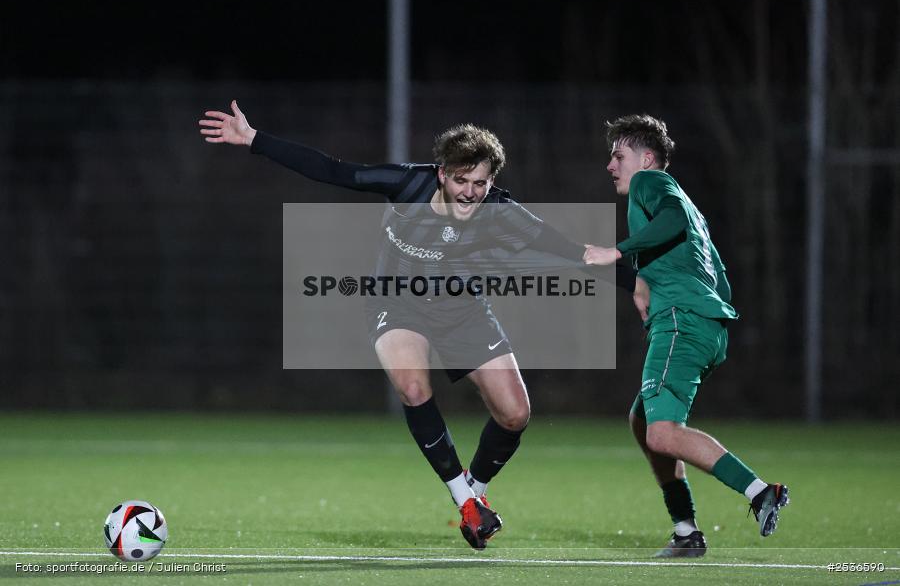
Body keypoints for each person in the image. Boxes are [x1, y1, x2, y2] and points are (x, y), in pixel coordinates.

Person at [200, 101, 642, 549]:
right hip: (396, 303)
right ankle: (465, 501)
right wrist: (255, 139)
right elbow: (333, 170)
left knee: (515, 414)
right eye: (461, 180)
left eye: (481, 183)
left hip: (462, 309)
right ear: (442, 174)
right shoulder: (407, 183)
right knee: (413, 387)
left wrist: (642, 286)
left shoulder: (501, 211)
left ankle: (475, 491)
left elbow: (575, 253)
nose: (470, 193)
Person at [584, 114, 789, 558]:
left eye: (618, 156)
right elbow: (718, 275)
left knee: (661, 434)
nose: (610, 166)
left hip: (682, 322)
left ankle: (760, 492)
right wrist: (647, 282)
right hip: (703, 324)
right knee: (643, 421)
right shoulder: (693, 209)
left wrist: (616, 251)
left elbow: (671, 219)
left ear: (647, 159)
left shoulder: (650, 182)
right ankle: (685, 530)